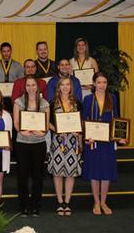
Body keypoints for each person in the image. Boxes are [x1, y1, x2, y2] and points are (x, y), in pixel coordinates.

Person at [82, 72, 127, 216]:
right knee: (95, 172)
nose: (102, 85)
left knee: (106, 172)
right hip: (93, 142)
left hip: (107, 142)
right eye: (99, 82)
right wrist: (86, 137)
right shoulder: (88, 99)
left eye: (104, 82)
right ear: (94, 83)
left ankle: (103, 202)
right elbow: (84, 120)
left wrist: (120, 138)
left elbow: (117, 120)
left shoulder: (112, 98)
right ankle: (96, 202)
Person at [13, 75, 50, 217]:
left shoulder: (45, 103)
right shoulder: (19, 102)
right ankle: (23, 206)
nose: (31, 88)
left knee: (37, 176)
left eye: (33, 85)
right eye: (28, 85)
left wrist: (41, 132)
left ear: (37, 86)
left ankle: (35, 206)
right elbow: (16, 123)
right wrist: (22, 131)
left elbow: (46, 125)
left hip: (39, 143)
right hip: (22, 143)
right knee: (22, 176)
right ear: (24, 87)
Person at [47, 77, 82, 216]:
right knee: (57, 172)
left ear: (71, 87)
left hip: (73, 142)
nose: (65, 87)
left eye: (68, 84)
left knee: (70, 172)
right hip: (58, 141)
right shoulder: (52, 103)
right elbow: (47, 122)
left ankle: (67, 202)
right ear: (58, 87)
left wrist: (78, 133)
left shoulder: (77, 103)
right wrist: (56, 130)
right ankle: (59, 201)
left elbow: (81, 122)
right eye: (63, 85)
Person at [0, 42, 24, 111]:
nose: (6, 53)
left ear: (11, 51)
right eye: (4, 51)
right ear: (1, 52)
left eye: (8, 51)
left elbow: (21, 82)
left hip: (14, 96)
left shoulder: (18, 65)